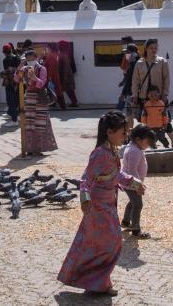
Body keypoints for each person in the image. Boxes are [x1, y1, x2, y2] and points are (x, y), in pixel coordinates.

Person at [57, 111, 145, 297]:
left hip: (108, 206)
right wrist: (85, 199)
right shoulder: (99, 154)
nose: (126, 136)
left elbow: (116, 175)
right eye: (123, 132)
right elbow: (86, 179)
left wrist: (135, 183)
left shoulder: (111, 151)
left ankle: (96, 282)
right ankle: (98, 282)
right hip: (97, 208)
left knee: (100, 244)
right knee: (111, 243)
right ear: (110, 132)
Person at [19, 48, 58, 156]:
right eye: (27, 59)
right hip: (29, 98)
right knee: (29, 124)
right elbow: (17, 79)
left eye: (31, 58)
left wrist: (34, 78)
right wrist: (20, 66)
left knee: (40, 123)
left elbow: (41, 83)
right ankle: (30, 148)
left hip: (39, 98)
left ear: (35, 58)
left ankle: (39, 148)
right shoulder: (24, 69)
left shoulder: (42, 69)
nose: (29, 60)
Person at [121, 123, 154, 238]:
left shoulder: (133, 147)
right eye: (147, 142)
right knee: (138, 205)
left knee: (133, 202)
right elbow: (132, 171)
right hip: (131, 183)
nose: (148, 145)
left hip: (130, 182)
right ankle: (136, 230)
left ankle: (126, 221)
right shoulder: (134, 151)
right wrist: (138, 185)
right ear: (138, 139)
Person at [120, 42, 139, 128]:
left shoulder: (137, 64)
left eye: (127, 52)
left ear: (133, 53)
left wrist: (123, 93)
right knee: (130, 115)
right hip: (133, 93)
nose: (126, 55)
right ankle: (130, 132)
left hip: (134, 94)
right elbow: (128, 79)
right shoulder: (133, 63)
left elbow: (130, 80)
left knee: (133, 115)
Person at [1, 43, 21, 123]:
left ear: (4, 52)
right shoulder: (17, 58)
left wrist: (3, 74)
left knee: (10, 100)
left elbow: (7, 71)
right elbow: (19, 70)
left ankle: (14, 120)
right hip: (17, 81)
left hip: (9, 82)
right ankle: (15, 115)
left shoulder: (5, 60)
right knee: (16, 100)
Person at [57, 40, 79, 108]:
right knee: (69, 90)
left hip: (65, 75)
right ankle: (74, 102)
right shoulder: (67, 53)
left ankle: (73, 103)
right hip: (68, 74)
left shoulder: (63, 55)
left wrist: (64, 77)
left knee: (66, 90)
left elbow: (66, 67)